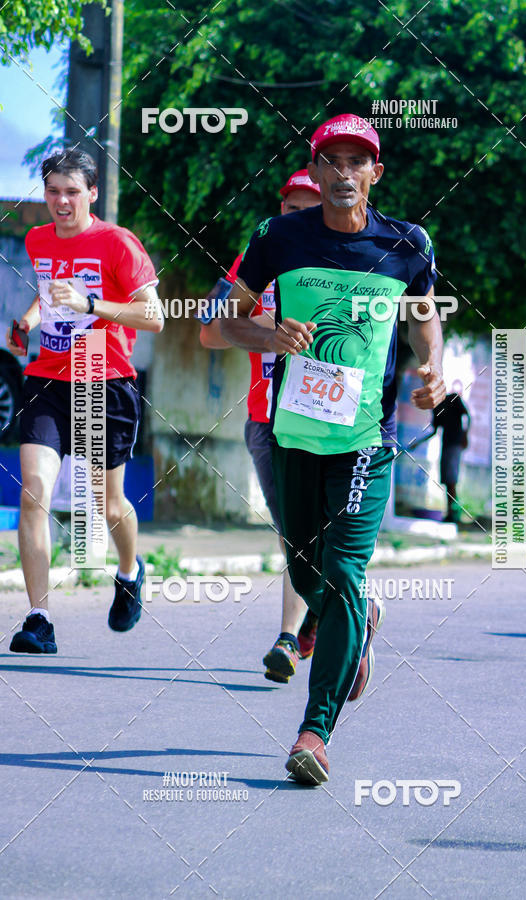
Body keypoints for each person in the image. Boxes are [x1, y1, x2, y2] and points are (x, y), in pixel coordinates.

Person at [221, 114, 446, 784]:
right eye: (333, 162)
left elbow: (425, 320)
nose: (345, 174)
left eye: (359, 162)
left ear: (376, 173)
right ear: (314, 174)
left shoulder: (408, 244)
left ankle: (313, 733)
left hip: (364, 439)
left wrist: (432, 368)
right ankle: (358, 623)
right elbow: (228, 322)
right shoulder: (277, 238)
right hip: (293, 433)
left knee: (342, 571)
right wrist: (270, 334)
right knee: (302, 569)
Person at [8, 148, 163, 654]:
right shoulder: (36, 239)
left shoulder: (117, 243)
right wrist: (29, 320)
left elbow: (154, 317)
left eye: (72, 191)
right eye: (53, 191)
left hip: (103, 376)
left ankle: (129, 570)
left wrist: (93, 304)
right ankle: (39, 618)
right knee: (34, 490)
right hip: (48, 378)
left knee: (107, 503)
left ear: (92, 192)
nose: (61, 201)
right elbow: (51, 292)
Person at [200, 170, 321, 683]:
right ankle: (320, 617)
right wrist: (269, 329)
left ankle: (292, 636)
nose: (299, 218)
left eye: (309, 209)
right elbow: (209, 332)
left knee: (313, 532)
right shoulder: (256, 263)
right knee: (293, 532)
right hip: (264, 420)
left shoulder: (347, 261)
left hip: (327, 422)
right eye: (291, 209)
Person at [432, 382, 471, 523]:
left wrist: (465, 435)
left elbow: (467, 416)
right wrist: (416, 443)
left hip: (455, 444)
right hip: (446, 445)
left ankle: (454, 512)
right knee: (447, 480)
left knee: (451, 479)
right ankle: (450, 511)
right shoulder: (436, 407)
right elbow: (435, 430)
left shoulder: (453, 399)